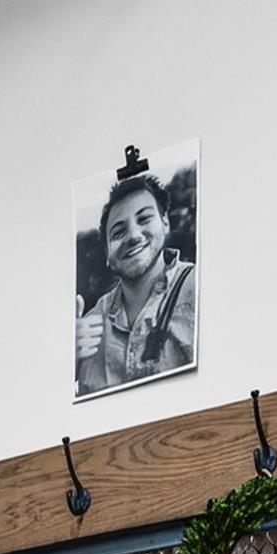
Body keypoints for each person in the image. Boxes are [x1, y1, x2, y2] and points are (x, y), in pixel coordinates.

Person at [75, 159, 196, 397]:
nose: (133, 236)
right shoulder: (88, 324)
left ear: (165, 223)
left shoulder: (197, 287)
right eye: (118, 232)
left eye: (144, 219)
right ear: (107, 254)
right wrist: (65, 364)